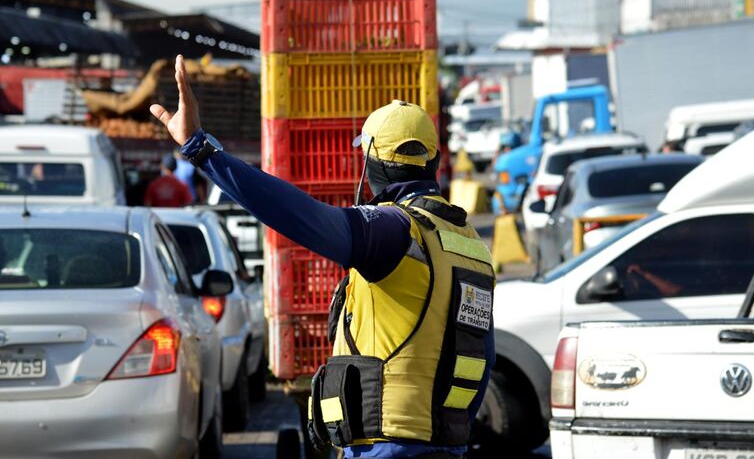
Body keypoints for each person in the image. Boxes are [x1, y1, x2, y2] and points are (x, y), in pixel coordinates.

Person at [150, 55, 496, 459]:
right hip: (445, 444)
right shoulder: (469, 244)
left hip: (386, 445)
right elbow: (481, 354)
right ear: (433, 163)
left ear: (372, 165)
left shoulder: (392, 231)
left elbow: (296, 214)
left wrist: (201, 150)